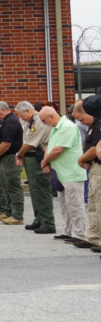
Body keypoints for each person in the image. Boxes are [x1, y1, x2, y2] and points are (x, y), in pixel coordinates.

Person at [40, 105, 88, 244]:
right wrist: (47, 161)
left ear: (51, 116)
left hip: (71, 172)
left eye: (44, 120)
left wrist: (44, 161)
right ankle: (68, 230)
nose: (44, 123)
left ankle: (79, 233)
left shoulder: (67, 127)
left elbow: (58, 150)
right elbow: (50, 147)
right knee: (64, 204)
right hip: (61, 172)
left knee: (74, 204)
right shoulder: (56, 128)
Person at [14, 100, 55, 235]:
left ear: (27, 110)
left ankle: (48, 222)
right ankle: (39, 219)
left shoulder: (38, 121)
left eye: (21, 115)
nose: (21, 118)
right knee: (34, 190)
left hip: (38, 157)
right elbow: (25, 140)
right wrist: (22, 156)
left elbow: (31, 142)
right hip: (30, 157)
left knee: (41, 190)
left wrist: (19, 155)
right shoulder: (29, 121)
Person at [74, 96, 101, 251]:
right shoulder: (93, 125)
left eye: (82, 119)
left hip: (98, 167)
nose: (82, 123)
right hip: (93, 168)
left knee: (99, 203)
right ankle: (93, 236)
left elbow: (93, 150)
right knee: (92, 204)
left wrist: (81, 159)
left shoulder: (98, 125)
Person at [0, 101, 24, 225]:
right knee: (5, 185)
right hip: (5, 158)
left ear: (3, 110)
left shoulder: (11, 121)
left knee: (13, 186)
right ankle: (9, 211)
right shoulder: (3, 121)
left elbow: (6, 143)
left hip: (10, 157)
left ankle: (17, 215)